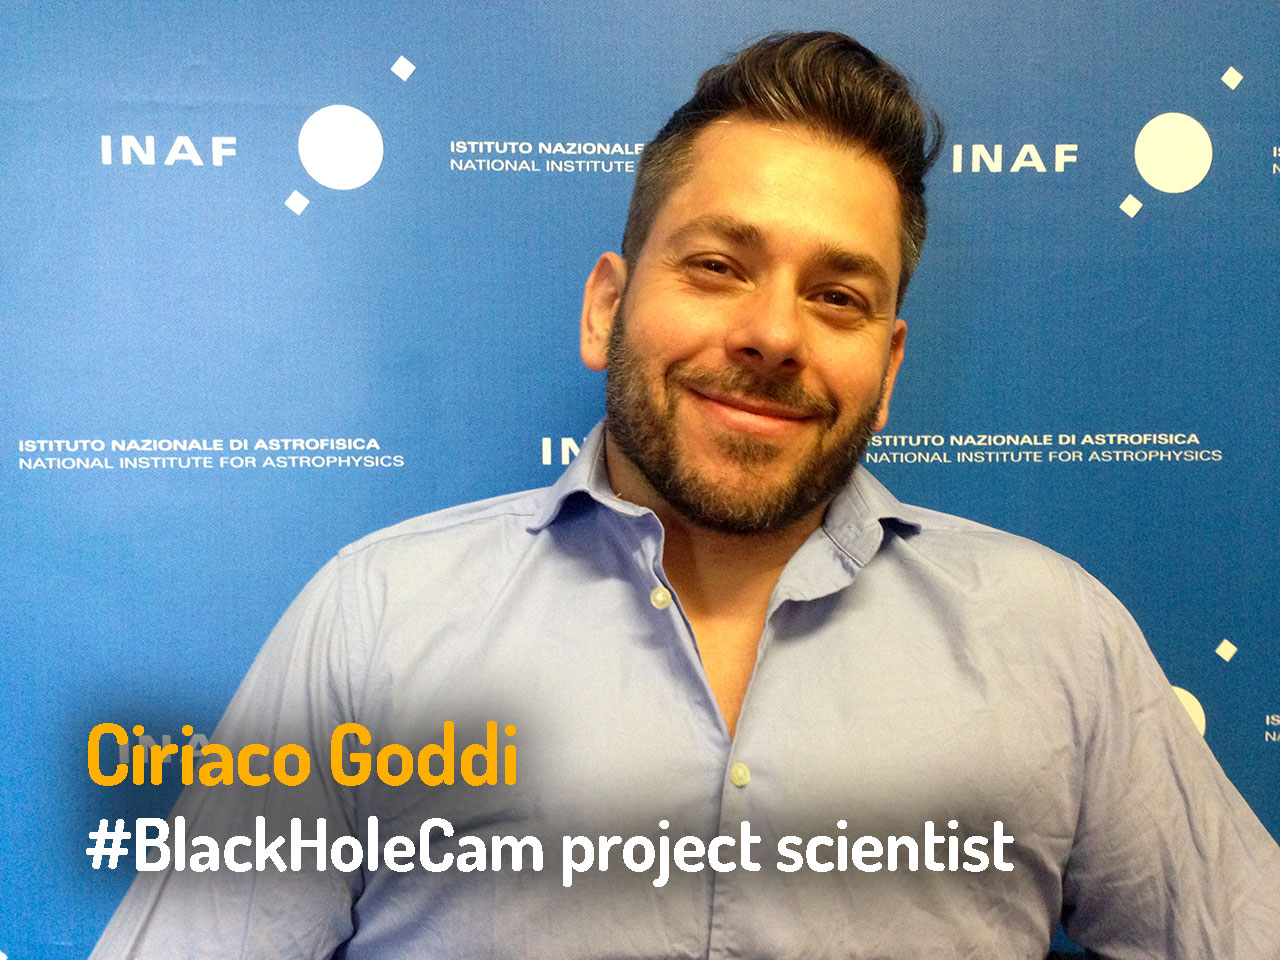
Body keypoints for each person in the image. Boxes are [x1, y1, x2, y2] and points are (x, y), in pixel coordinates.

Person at [93, 31, 1280, 959]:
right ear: (605, 307)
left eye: (837, 296)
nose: (772, 334)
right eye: (717, 266)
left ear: (886, 371)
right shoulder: (375, 621)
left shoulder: (1056, 639)